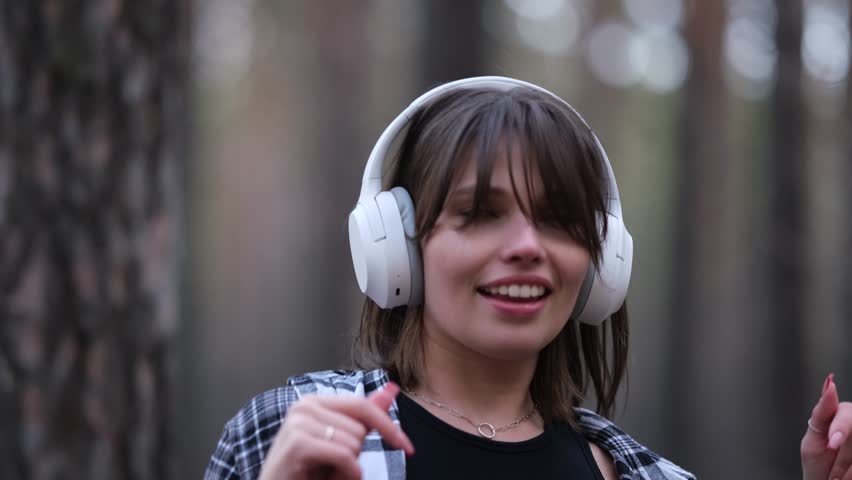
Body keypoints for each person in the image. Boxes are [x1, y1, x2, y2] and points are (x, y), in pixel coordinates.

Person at [204, 77, 852, 480]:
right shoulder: (291, 436)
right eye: (480, 214)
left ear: (603, 262)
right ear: (398, 247)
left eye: (559, 221)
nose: (526, 248)